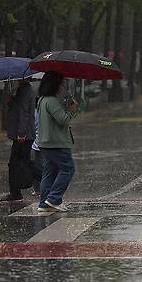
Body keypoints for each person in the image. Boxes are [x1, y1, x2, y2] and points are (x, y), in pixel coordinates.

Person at [37, 71, 78, 212]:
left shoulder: (43, 99)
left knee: (50, 172)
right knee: (68, 169)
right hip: (56, 143)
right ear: (55, 84)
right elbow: (63, 120)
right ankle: (54, 198)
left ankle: (44, 203)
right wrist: (72, 110)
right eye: (62, 83)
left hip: (45, 142)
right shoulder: (52, 101)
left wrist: (65, 106)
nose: (63, 86)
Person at [0, 79, 36, 202]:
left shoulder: (25, 92)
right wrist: (11, 100)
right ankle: (16, 190)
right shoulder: (23, 91)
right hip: (24, 133)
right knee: (18, 163)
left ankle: (16, 191)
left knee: (16, 163)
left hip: (23, 135)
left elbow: (24, 113)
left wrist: (21, 133)